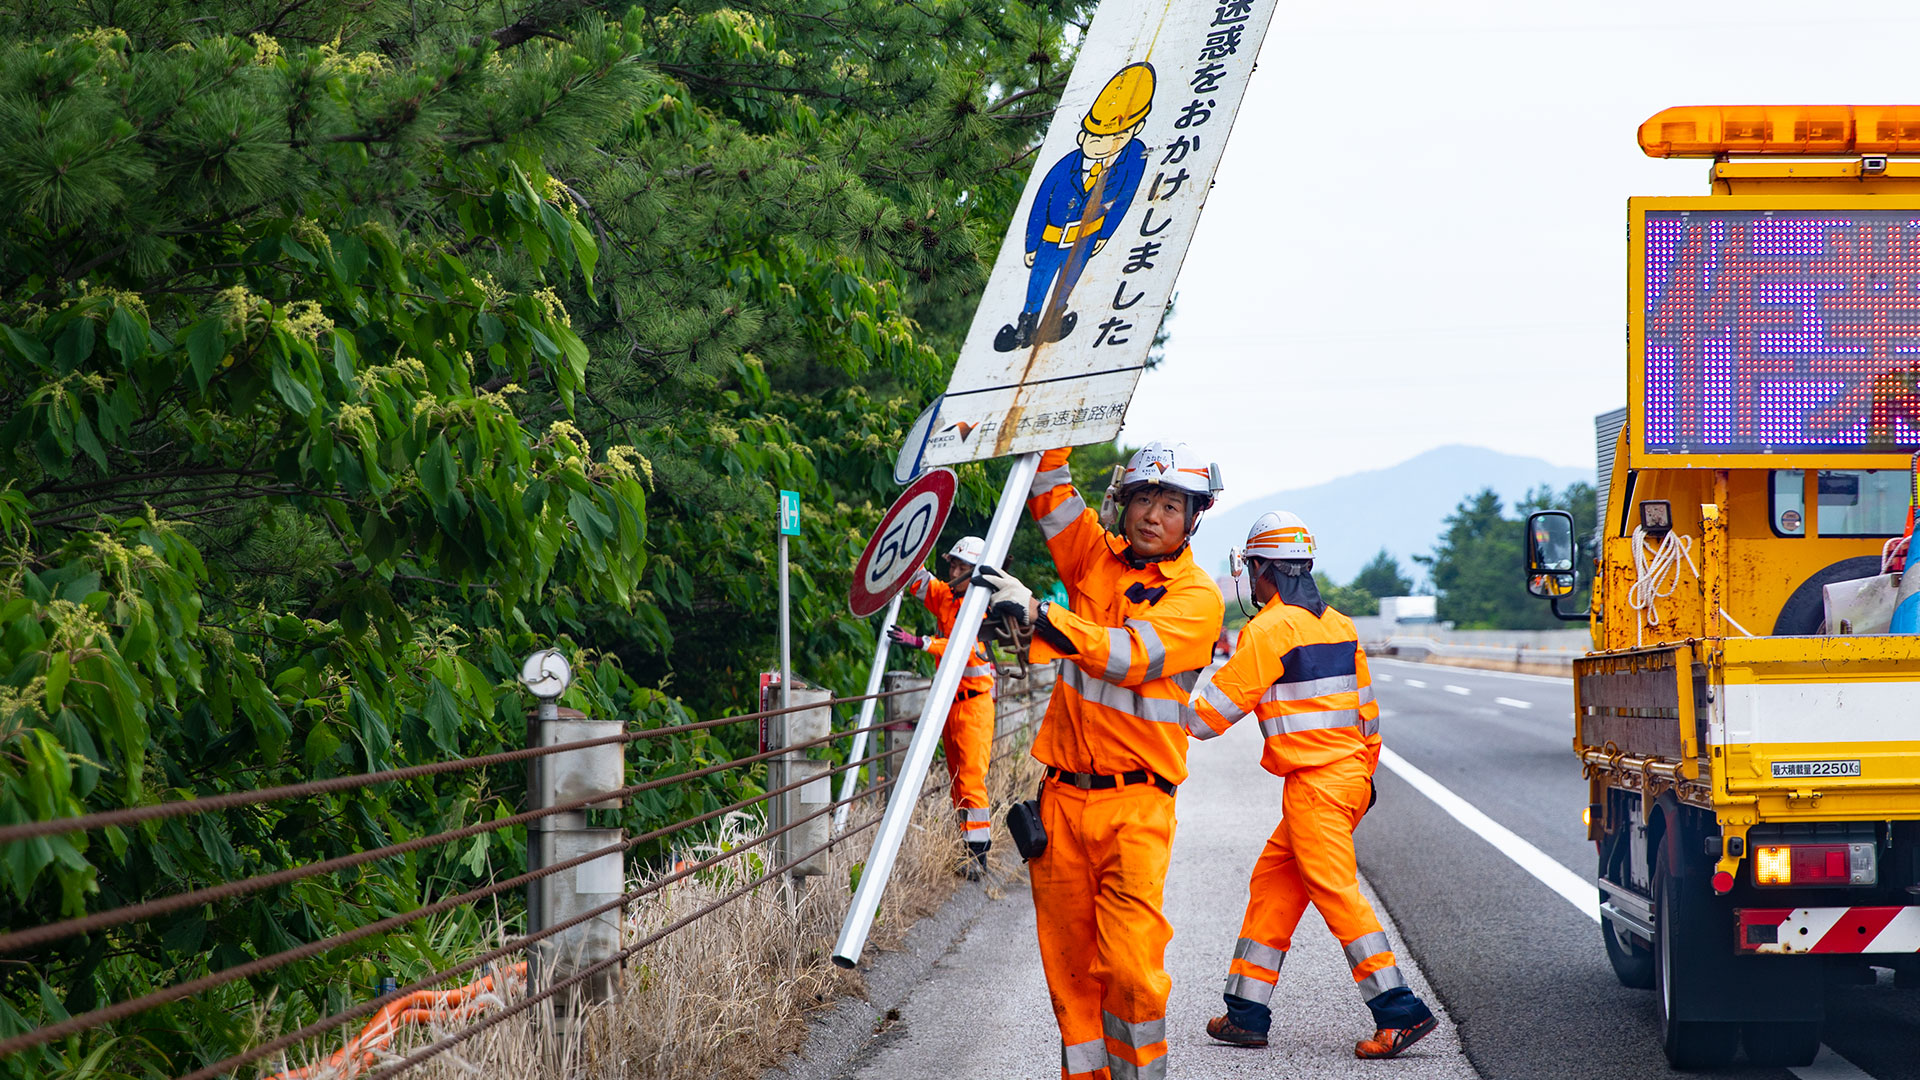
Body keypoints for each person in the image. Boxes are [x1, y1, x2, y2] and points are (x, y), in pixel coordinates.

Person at [971, 442, 1224, 1080]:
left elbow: (1130, 655)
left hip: (1137, 805)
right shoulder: (1092, 557)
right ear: (1123, 502)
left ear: (1193, 517)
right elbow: (1050, 489)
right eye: (1144, 499)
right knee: (1070, 974)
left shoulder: (1197, 598)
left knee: (1132, 970)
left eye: (1171, 505)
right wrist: (1063, 386)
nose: (1153, 515)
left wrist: (1039, 615)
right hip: (1060, 803)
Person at [1184, 512, 1438, 1060]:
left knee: (1337, 893)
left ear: (1264, 568)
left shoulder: (1268, 630)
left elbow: (1206, 720)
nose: (1252, 578)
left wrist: (1166, 691)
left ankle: (1399, 1011)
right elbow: (1367, 717)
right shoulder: (1341, 626)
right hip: (1346, 779)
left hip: (1315, 786)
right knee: (1274, 885)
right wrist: (1363, 781)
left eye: (1253, 568)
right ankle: (1245, 1014)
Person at [890, 536, 999, 875]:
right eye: (951, 564)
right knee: (957, 780)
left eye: (960, 566)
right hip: (952, 705)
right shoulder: (948, 597)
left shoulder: (982, 608)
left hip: (975, 706)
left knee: (970, 780)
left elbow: (962, 647)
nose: (952, 570)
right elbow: (920, 581)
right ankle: (963, 848)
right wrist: (908, 541)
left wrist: (921, 642)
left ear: (975, 571)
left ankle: (977, 856)